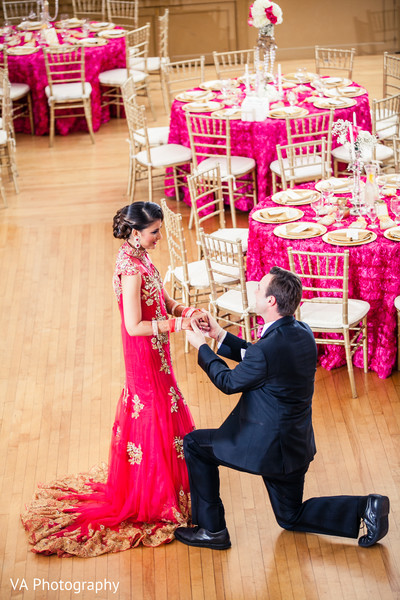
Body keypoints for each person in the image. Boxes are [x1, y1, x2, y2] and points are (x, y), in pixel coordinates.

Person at [21, 201, 203, 557]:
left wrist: (186, 310)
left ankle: (166, 484)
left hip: (157, 349)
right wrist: (177, 325)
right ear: (136, 232)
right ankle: (155, 495)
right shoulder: (130, 268)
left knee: (163, 406)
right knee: (153, 410)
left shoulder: (139, 256)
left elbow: (161, 298)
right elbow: (134, 325)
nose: (158, 237)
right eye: (154, 232)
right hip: (143, 353)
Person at [175, 266, 390, 550]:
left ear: (271, 301)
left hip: (267, 447)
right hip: (295, 447)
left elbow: (228, 382)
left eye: (259, 288)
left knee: (194, 444)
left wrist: (201, 347)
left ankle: (212, 531)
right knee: (290, 516)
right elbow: (259, 357)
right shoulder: (301, 331)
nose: (254, 289)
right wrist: (219, 335)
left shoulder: (267, 349)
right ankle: (366, 507)